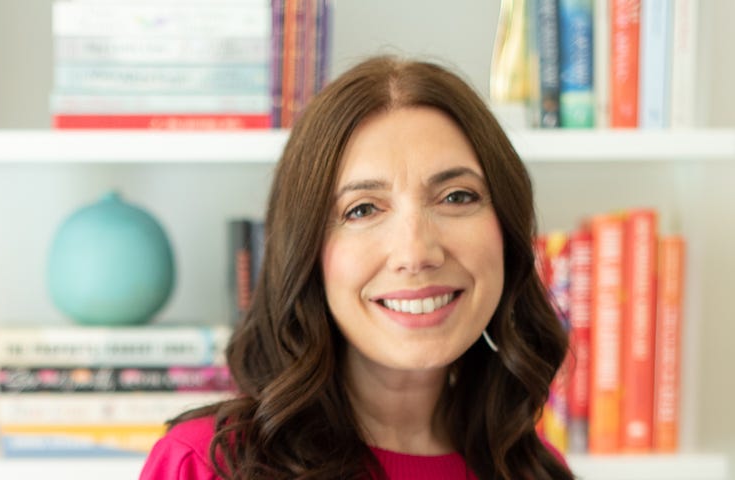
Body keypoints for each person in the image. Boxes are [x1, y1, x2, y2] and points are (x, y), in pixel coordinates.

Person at [140, 55, 573, 480]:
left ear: (507, 229)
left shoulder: (535, 469)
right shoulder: (203, 465)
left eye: (457, 197)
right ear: (306, 249)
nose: (416, 253)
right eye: (362, 209)